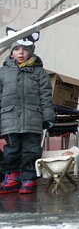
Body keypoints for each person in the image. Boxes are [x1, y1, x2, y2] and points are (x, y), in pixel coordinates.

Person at [0, 32, 55, 195]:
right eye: (17, 49)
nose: (21, 53)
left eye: (25, 49)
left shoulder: (39, 72)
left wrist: (48, 117)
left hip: (33, 118)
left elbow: (45, 95)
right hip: (9, 119)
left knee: (31, 150)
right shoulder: (3, 72)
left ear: (31, 51)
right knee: (11, 149)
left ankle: (28, 178)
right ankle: (12, 176)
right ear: (11, 52)